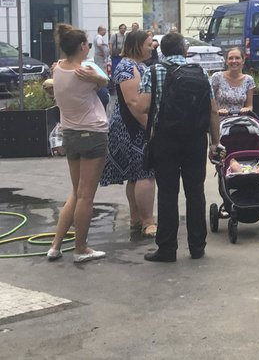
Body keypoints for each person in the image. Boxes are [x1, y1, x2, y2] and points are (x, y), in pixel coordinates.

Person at [134, 32, 221, 262]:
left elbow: (142, 107)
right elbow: (213, 110)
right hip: (195, 139)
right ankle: (197, 246)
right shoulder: (200, 72)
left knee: (168, 193)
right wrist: (215, 143)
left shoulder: (154, 71)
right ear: (184, 50)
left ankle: (167, 248)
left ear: (161, 51)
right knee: (195, 191)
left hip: (166, 139)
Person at [47, 24, 110, 263]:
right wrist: (97, 76)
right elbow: (104, 83)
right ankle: (81, 248)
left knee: (75, 192)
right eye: (88, 45)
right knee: (86, 196)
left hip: (70, 134)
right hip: (92, 134)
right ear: (82, 46)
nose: (89, 48)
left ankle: (55, 245)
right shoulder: (84, 73)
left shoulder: (58, 70)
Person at [100, 30, 157, 238]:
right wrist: (150, 128)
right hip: (132, 128)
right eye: (149, 43)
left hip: (130, 126)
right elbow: (134, 103)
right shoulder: (127, 67)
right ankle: (148, 222)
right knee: (144, 173)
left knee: (135, 175)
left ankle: (137, 219)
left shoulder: (133, 66)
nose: (152, 47)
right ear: (137, 45)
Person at [211, 47, 255, 115]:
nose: (234, 61)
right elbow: (209, 102)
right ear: (226, 61)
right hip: (221, 120)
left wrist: (246, 109)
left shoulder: (249, 80)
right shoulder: (217, 77)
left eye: (237, 58)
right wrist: (217, 110)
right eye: (231, 58)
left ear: (243, 61)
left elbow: (249, 106)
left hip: (241, 120)